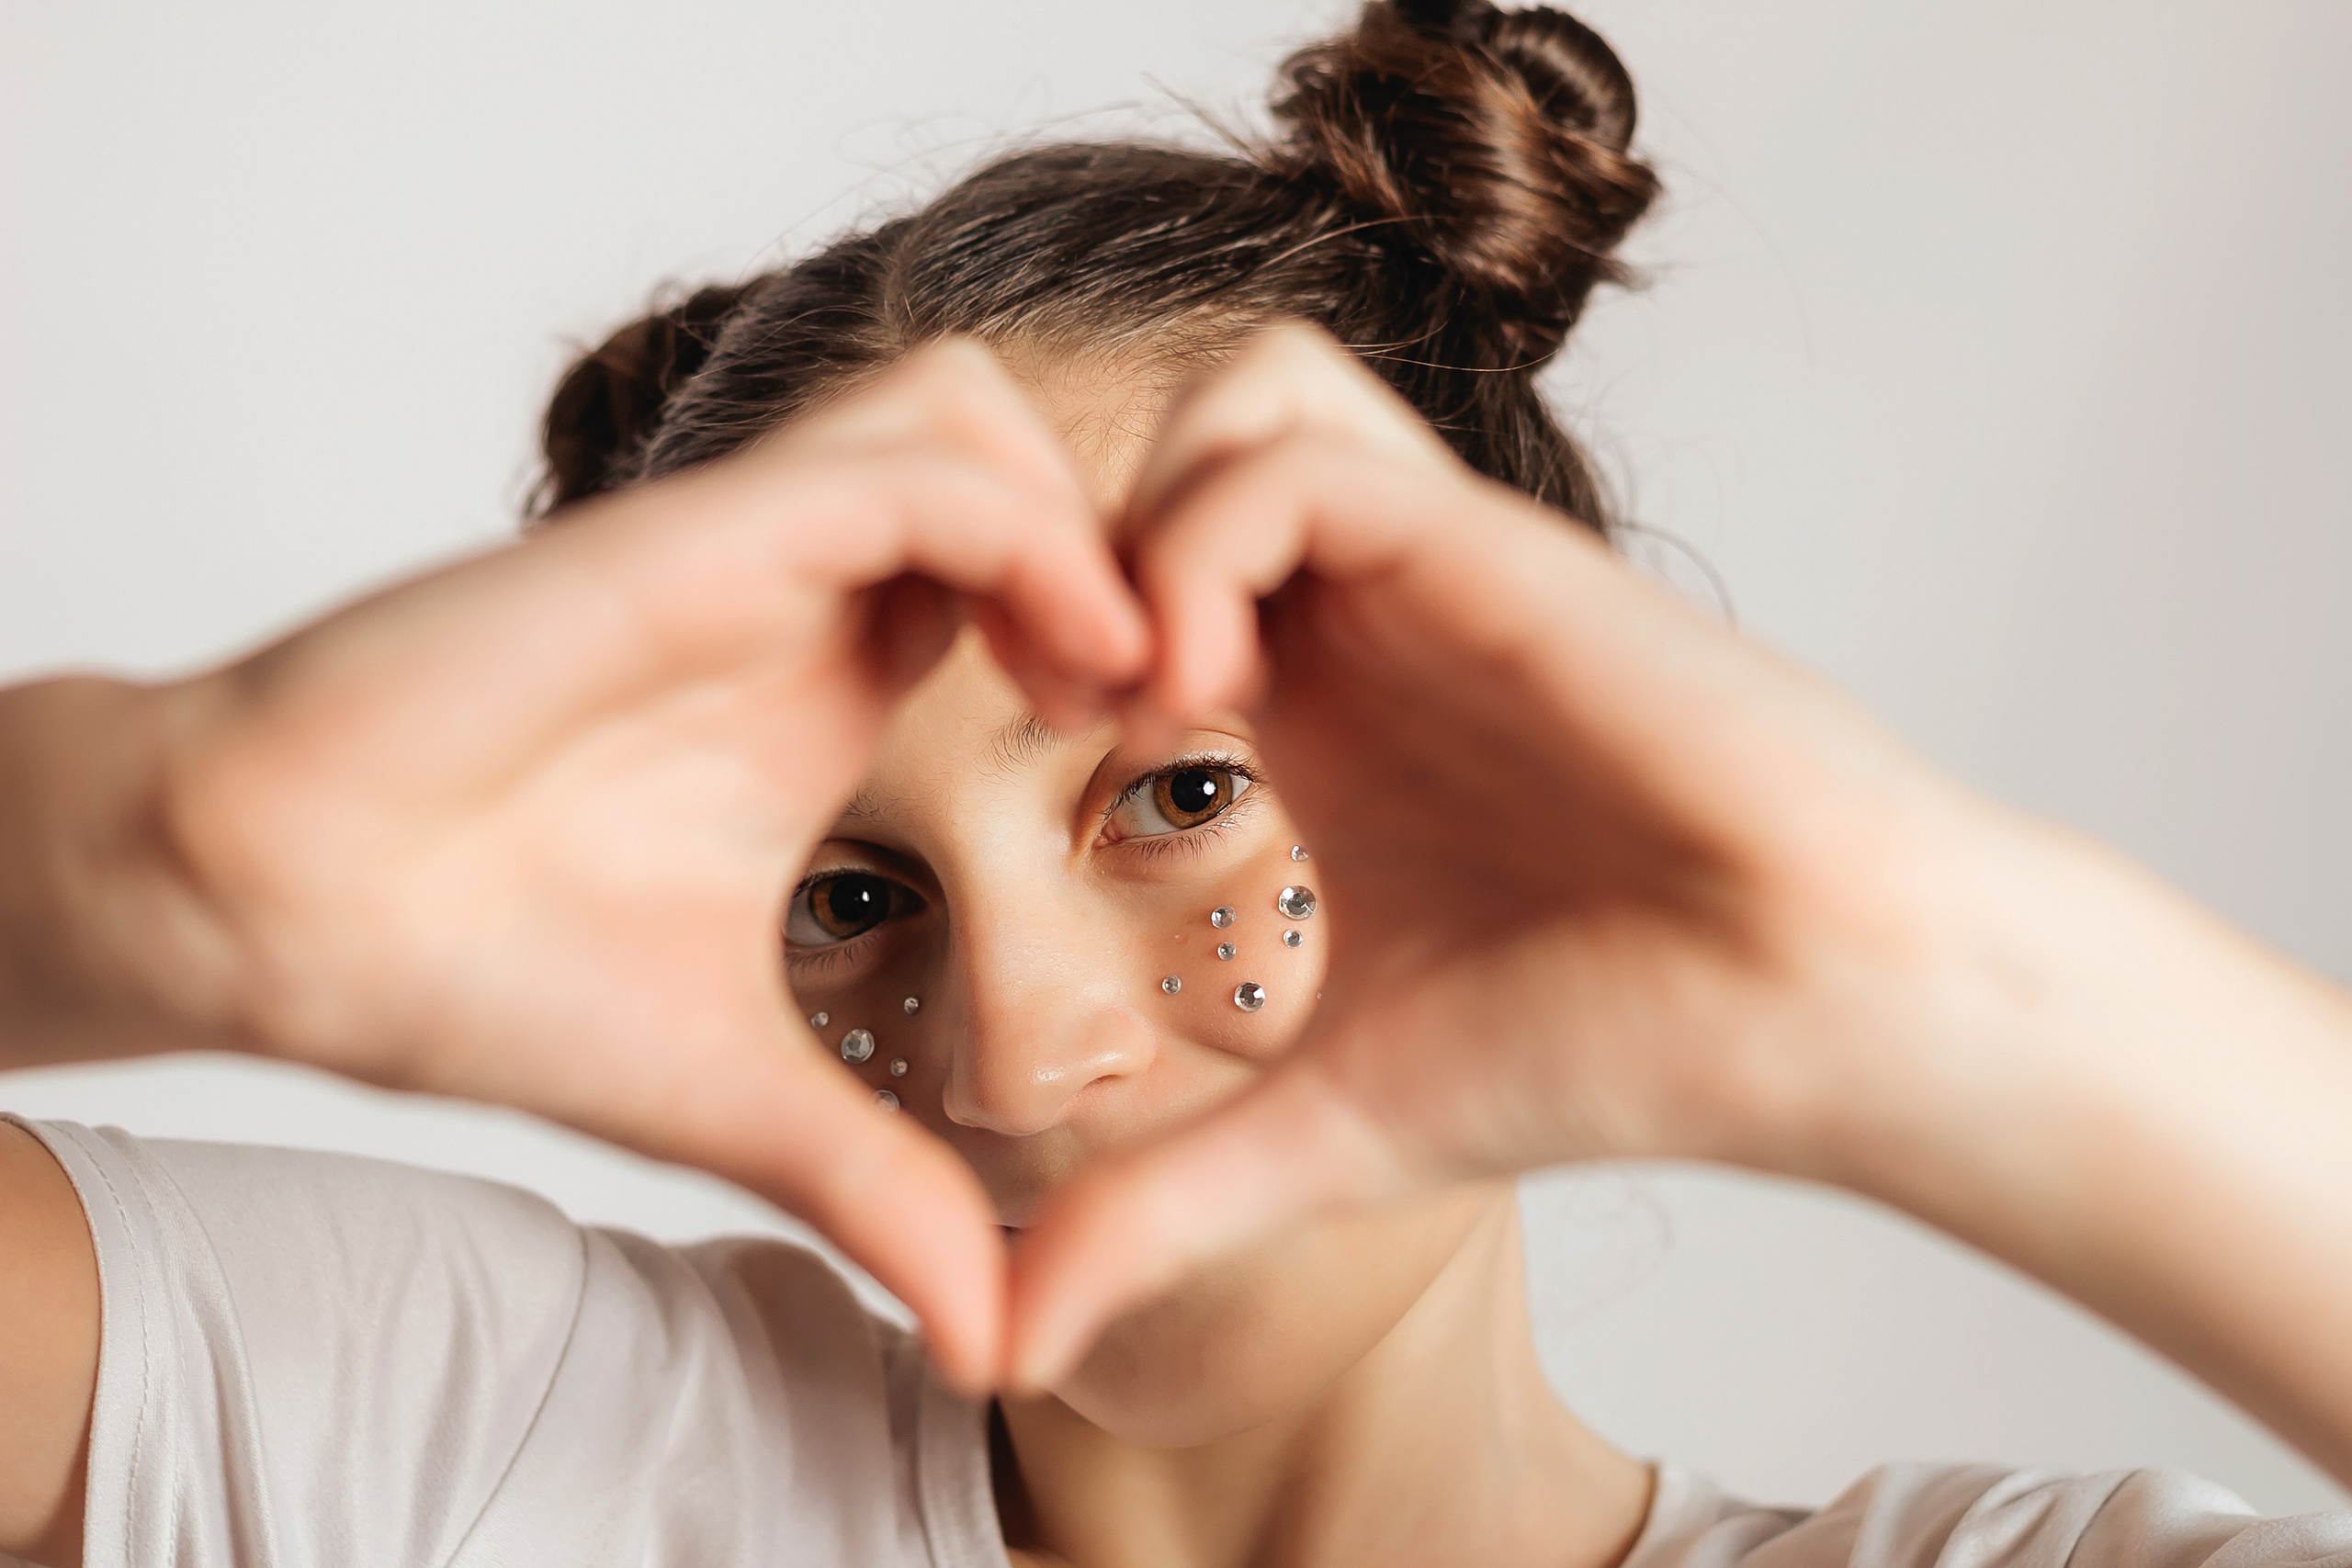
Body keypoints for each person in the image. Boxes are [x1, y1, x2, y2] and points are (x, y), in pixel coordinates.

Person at [3, 3, 2350, 1566]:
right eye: (845, 893)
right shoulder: (481, 1430)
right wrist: (142, 855)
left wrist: (1940, 990)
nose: (1011, 1050)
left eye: (1175, 794)